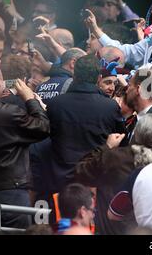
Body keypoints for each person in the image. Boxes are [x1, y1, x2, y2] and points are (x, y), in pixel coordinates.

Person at [0, 62, 50, 228]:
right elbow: (43, 128)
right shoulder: (9, 113)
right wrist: (30, 99)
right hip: (10, 194)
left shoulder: (8, 112)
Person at [75, 114, 152, 234]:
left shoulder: (113, 156)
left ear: (136, 133)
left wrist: (106, 147)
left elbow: (81, 170)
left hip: (110, 229)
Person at [46, 54, 124, 193]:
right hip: (94, 182)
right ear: (99, 78)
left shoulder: (55, 104)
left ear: (74, 76)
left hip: (60, 183)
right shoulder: (109, 107)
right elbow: (122, 141)